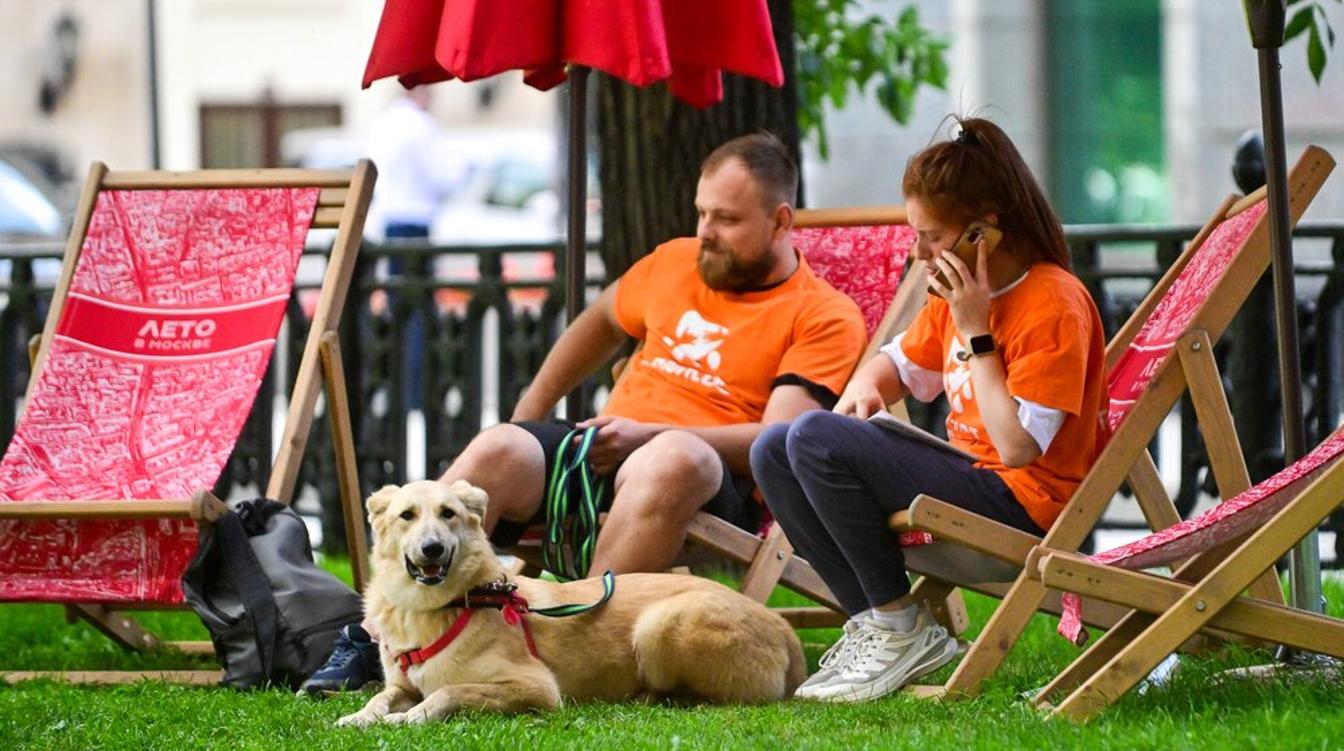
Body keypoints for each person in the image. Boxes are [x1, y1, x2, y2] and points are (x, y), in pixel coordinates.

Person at [299, 132, 868, 695]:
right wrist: (527, 418)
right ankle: (376, 638)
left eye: (727, 219)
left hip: (704, 476)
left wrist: (649, 434)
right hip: (599, 452)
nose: (705, 233)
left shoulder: (822, 314)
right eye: (701, 213)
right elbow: (597, 323)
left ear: (781, 220)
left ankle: (581, 642)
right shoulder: (675, 262)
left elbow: (777, 439)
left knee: (673, 456)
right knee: (499, 447)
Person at [750, 117, 1108, 703]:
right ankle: (881, 622)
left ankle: (899, 626)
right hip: (967, 478)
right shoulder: (957, 294)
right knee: (774, 447)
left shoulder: (1052, 303)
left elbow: (1019, 448)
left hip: (1021, 504)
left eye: (932, 237)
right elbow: (898, 363)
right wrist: (865, 386)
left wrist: (978, 332)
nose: (918, 254)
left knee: (812, 435)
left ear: (984, 231)